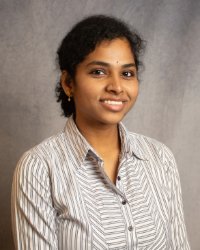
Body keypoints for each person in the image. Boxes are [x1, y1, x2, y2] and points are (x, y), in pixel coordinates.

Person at [11, 15, 190, 250]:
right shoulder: (39, 167)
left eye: (127, 73)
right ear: (68, 83)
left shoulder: (160, 158)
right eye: (98, 72)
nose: (116, 86)